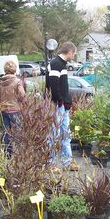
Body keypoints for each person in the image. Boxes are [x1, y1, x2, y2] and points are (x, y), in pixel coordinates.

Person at [46, 41, 79, 171]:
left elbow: (63, 86)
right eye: (74, 54)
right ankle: (50, 163)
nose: (74, 56)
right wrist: (60, 101)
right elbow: (53, 85)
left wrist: (67, 101)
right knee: (54, 134)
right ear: (70, 52)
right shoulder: (56, 64)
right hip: (57, 105)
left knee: (66, 134)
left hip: (63, 105)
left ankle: (67, 162)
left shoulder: (62, 65)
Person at [0, 60, 26, 155]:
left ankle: (8, 153)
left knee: (6, 132)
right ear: (14, 70)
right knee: (18, 131)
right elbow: (22, 95)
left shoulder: (1, 82)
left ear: (5, 70)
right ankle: (19, 153)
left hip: (4, 109)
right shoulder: (17, 81)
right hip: (15, 109)